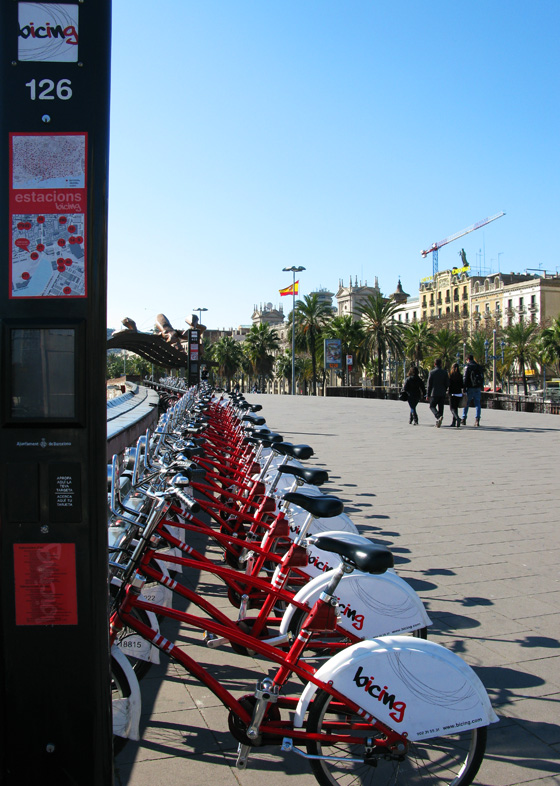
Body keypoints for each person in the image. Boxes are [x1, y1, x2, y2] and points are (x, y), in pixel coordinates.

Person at [462, 354, 484, 427]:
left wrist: (464, 388)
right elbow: (482, 376)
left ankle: (463, 418)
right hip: (477, 387)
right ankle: (477, 420)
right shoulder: (478, 366)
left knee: (466, 403)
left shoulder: (467, 367)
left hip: (469, 387)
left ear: (468, 359)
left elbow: (465, 378)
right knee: (477, 403)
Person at [427, 358, 449, 427]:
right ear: (441, 364)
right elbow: (447, 383)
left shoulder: (432, 372)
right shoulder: (444, 372)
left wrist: (428, 394)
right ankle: (439, 420)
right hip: (442, 393)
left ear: (434, 364)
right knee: (441, 407)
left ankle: (438, 416)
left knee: (432, 406)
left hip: (434, 393)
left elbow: (429, 385)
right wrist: (444, 390)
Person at [448, 362, 463, 428]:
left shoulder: (451, 375)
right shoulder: (460, 375)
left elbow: (448, 384)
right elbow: (462, 385)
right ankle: (454, 422)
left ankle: (457, 418)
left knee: (452, 408)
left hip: (452, 393)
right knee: (456, 408)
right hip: (459, 393)